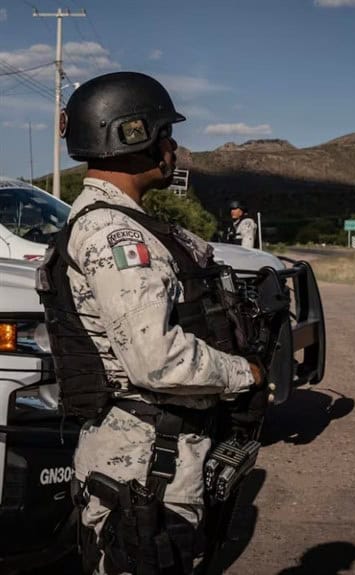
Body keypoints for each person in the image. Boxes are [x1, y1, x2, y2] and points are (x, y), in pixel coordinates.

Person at [36, 71, 263, 574]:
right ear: (131, 133)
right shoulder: (114, 235)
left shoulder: (118, 223)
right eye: (164, 132)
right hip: (146, 461)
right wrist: (245, 373)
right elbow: (156, 361)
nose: (173, 146)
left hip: (147, 452)